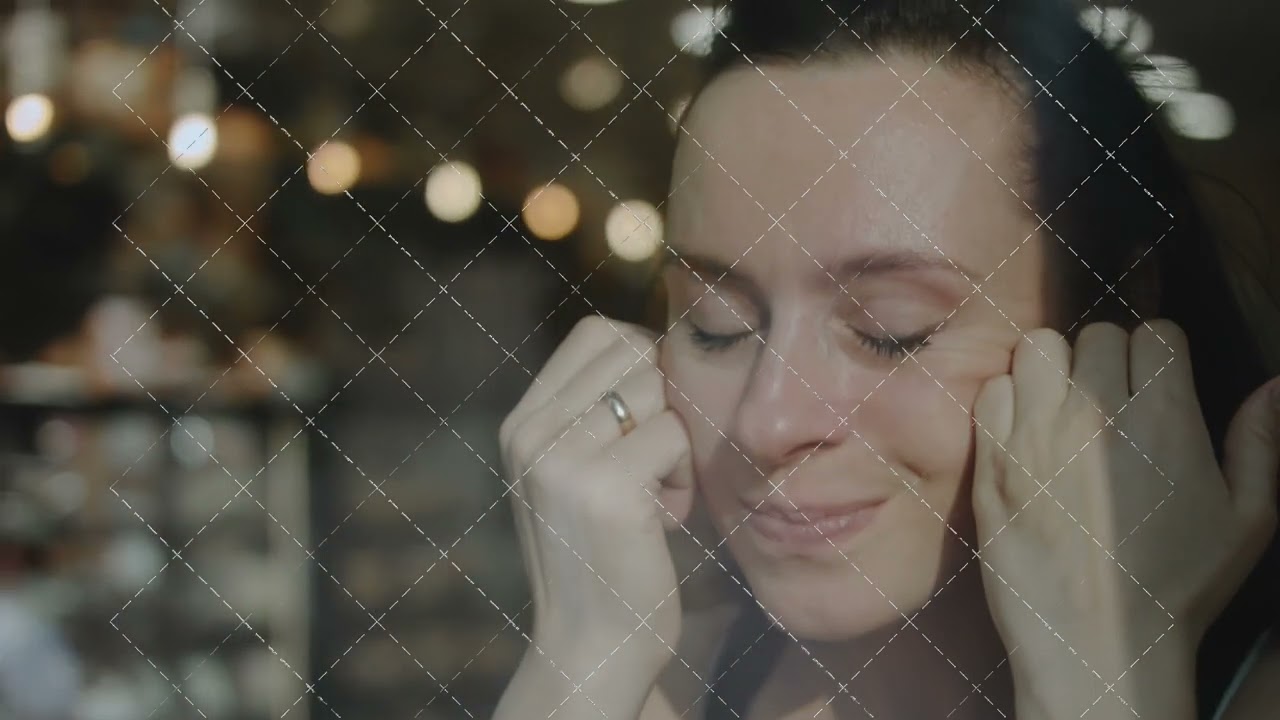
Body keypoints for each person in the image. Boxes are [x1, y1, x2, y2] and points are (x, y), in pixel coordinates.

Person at [494, 1, 1280, 718]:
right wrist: (581, 666)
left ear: (1118, 313)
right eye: (715, 325)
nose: (767, 424)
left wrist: (1104, 680)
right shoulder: (665, 680)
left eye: (889, 332)